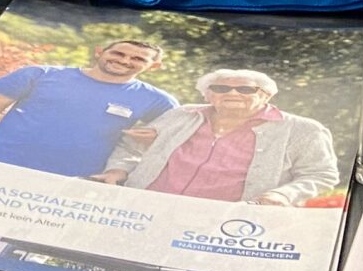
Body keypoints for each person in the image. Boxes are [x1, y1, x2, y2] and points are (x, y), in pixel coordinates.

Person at [0, 37, 175, 177]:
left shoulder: (157, 100)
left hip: (69, 182)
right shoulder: (39, 74)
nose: (125, 60)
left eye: (137, 58)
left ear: (153, 67)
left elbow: (174, 138)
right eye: (118, 53)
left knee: (19, 250)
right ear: (100, 52)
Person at [97, 69, 338, 206]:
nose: (233, 93)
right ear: (208, 95)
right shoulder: (182, 114)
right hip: (148, 207)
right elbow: (132, 145)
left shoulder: (303, 129)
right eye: (221, 88)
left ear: (266, 95)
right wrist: (118, 170)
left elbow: (320, 174)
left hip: (226, 224)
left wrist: (283, 194)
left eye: (245, 89)